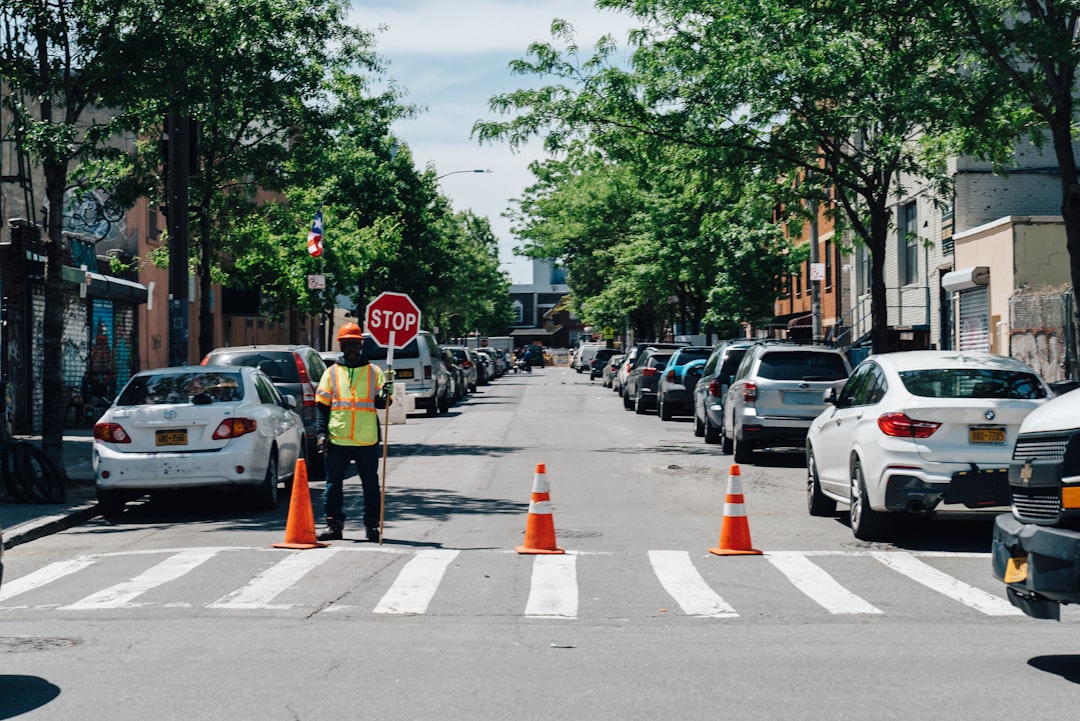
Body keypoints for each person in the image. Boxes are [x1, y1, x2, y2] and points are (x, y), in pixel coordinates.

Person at [313, 322, 393, 542]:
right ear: (341, 345)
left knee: (370, 484)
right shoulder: (331, 373)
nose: (351, 347)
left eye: (354, 343)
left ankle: (371, 526)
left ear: (361, 345)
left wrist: (387, 393)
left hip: (366, 438)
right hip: (338, 437)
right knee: (333, 484)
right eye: (347, 343)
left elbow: (382, 404)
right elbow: (322, 406)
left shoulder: (375, 372)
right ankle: (334, 524)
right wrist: (321, 433)